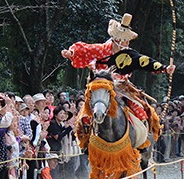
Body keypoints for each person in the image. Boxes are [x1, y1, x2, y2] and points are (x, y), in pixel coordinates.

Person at [62, 13, 175, 152]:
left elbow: (144, 61)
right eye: (124, 40)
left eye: (128, 41)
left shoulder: (130, 54)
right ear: (117, 39)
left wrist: (164, 68)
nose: (127, 43)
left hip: (121, 88)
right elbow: (84, 49)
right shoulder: (101, 49)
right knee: (84, 117)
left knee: (141, 111)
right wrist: (71, 53)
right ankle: (85, 142)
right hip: (99, 86)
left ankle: (142, 142)